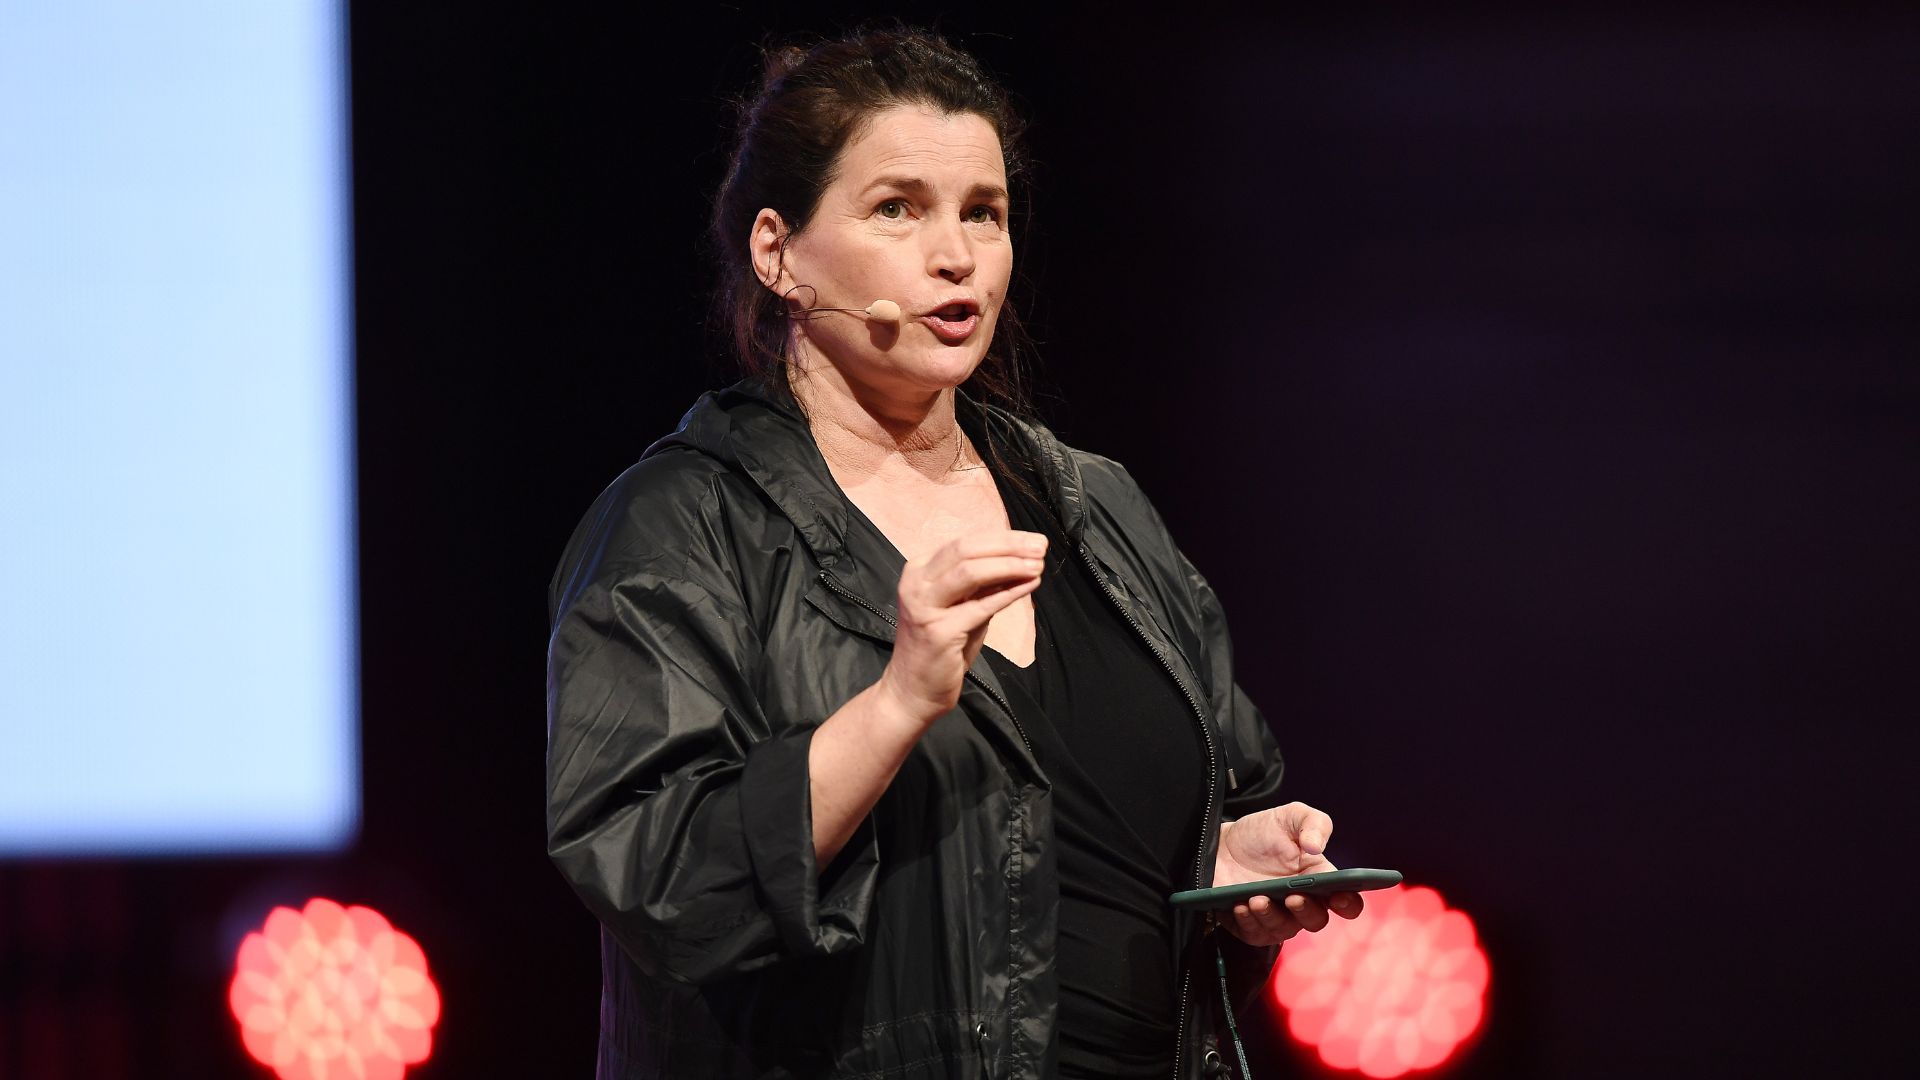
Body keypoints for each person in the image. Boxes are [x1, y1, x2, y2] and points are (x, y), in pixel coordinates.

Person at [545, 28, 1365, 1080]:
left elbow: (1194, 795)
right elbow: (656, 873)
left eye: (984, 212)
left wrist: (1221, 865)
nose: (956, 254)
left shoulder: (1094, 505)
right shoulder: (684, 522)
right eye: (898, 208)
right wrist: (895, 703)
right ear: (776, 252)